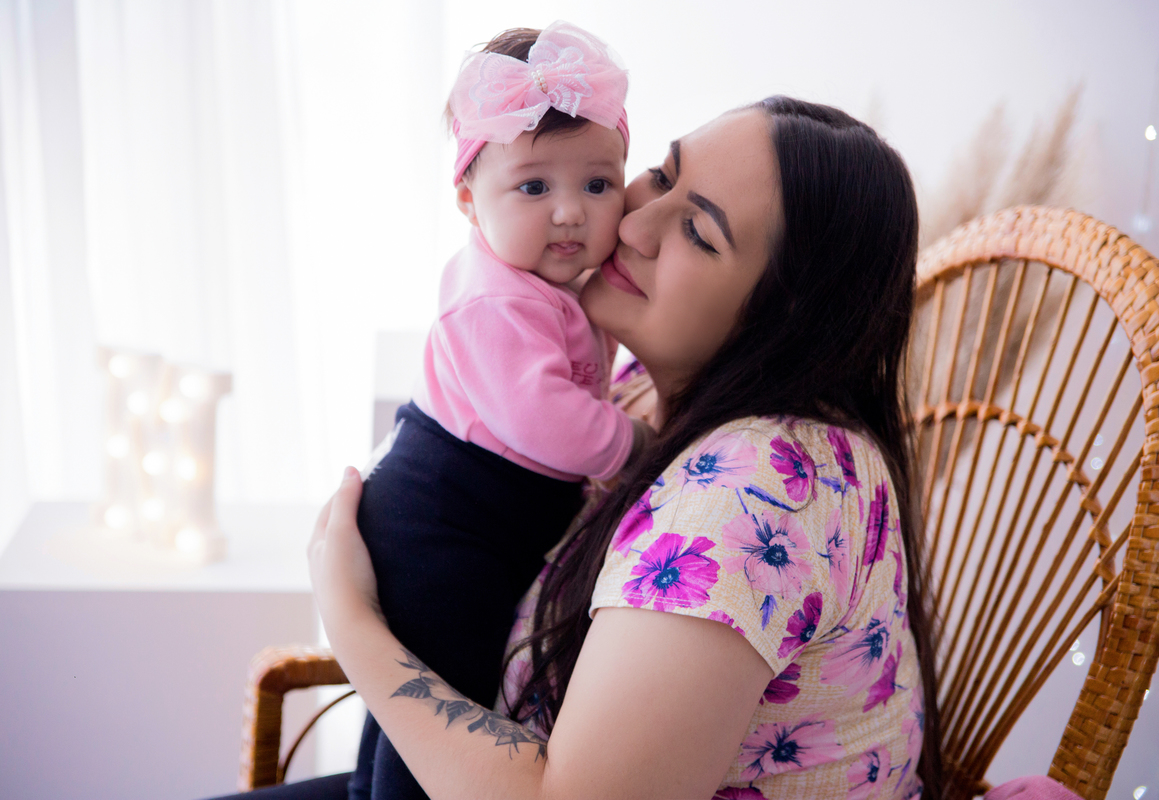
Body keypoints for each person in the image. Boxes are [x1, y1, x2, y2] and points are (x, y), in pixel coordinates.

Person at [222, 95, 943, 800]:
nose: (632, 224)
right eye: (661, 175)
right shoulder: (640, 387)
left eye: (698, 232)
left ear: (787, 318)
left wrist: (352, 620)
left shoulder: (754, 496)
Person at [350, 22, 651, 797]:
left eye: (598, 185)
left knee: (411, 695)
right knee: (441, 695)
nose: (570, 212)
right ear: (467, 199)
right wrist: (632, 442)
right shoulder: (493, 299)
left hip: (481, 514)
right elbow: (543, 416)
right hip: (447, 518)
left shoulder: (550, 284)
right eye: (534, 187)